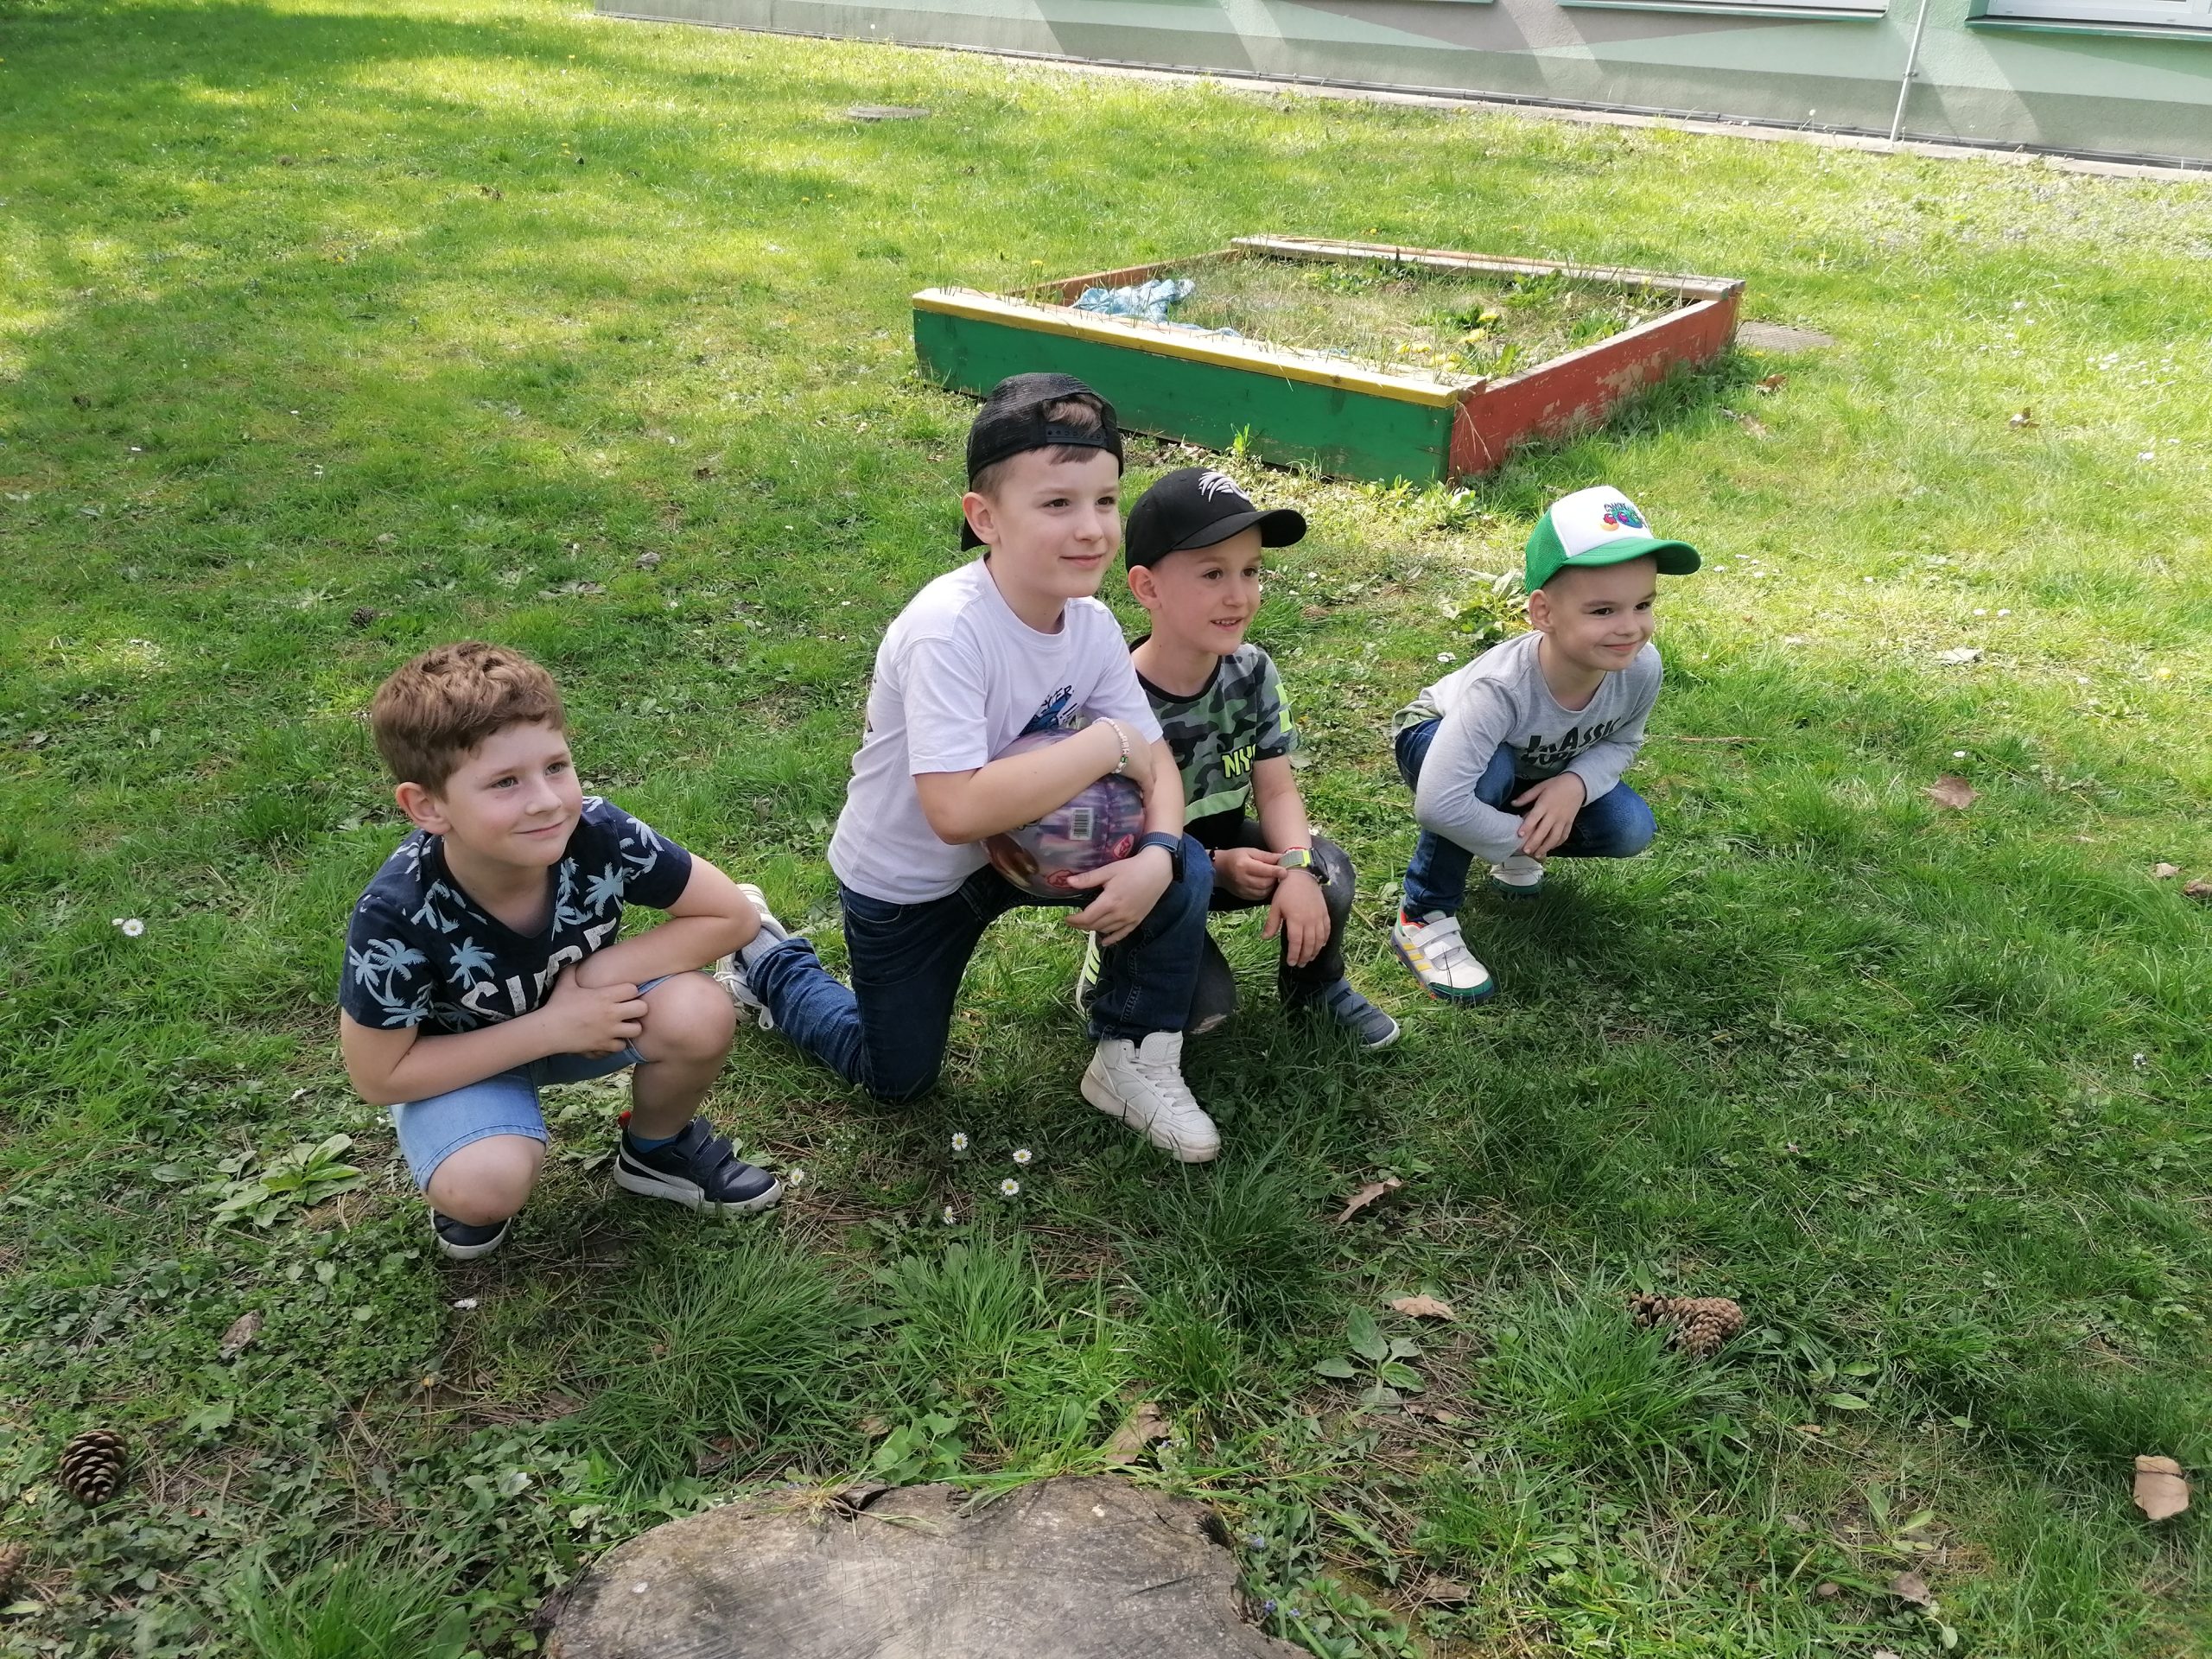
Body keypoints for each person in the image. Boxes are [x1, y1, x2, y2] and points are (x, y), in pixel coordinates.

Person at [723, 375, 1223, 1161]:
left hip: (1022, 852)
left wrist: (1156, 856)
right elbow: (954, 812)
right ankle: (765, 956)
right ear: (984, 517)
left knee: (1184, 861)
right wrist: (1104, 744)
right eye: (1056, 503)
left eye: (1104, 501)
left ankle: (1131, 1056)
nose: (1091, 529)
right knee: (896, 1077)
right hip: (912, 883)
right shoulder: (949, 631)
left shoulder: (1090, 624)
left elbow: (1156, 758)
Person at [338, 642, 779, 1260]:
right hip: (462, 1064)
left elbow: (729, 914)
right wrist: (551, 1028)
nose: (546, 800)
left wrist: (598, 974)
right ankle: (467, 1153)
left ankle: (655, 1151)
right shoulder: (396, 914)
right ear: (427, 806)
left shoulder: (600, 833)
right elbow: (378, 1076)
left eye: (555, 766)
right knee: (483, 1184)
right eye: (504, 782)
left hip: (589, 1019)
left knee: (699, 1010)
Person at [1088, 466, 1397, 1047]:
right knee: (1205, 1012)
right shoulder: (1117, 700)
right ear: (1147, 588)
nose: (1240, 595)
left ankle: (1316, 987)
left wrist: (1297, 868)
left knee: (1328, 872)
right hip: (1152, 868)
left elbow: (1276, 790)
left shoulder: (1252, 671)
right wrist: (1213, 865)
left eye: (1250, 571)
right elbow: (1113, 836)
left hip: (1232, 842)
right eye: (1213, 574)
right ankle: (1112, 966)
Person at [1389, 485, 1700, 1001]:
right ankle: (1423, 915)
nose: (1630, 628)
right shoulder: (1501, 688)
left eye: (1643, 604)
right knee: (1487, 774)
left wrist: (1575, 785)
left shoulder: (1642, 667)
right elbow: (1439, 804)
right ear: (1544, 613)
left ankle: (1505, 830)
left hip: (1536, 765)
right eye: (1603, 611)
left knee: (1628, 827)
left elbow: (1622, 743)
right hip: (1435, 738)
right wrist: (1524, 838)